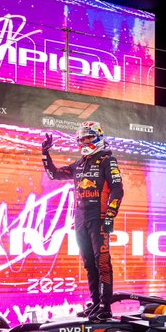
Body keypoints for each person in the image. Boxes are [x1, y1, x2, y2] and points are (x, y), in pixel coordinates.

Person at [41, 121, 124, 320]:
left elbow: (118, 189)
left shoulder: (107, 160)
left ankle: (105, 306)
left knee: (102, 261)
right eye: (81, 139)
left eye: (88, 137)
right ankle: (95, 303)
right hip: (80, 218)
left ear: (98, 137)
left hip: (99, 217)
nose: (84, 142)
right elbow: (54, 174)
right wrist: (45, 155)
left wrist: (110, 215)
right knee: (88, 263)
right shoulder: (79, 164)